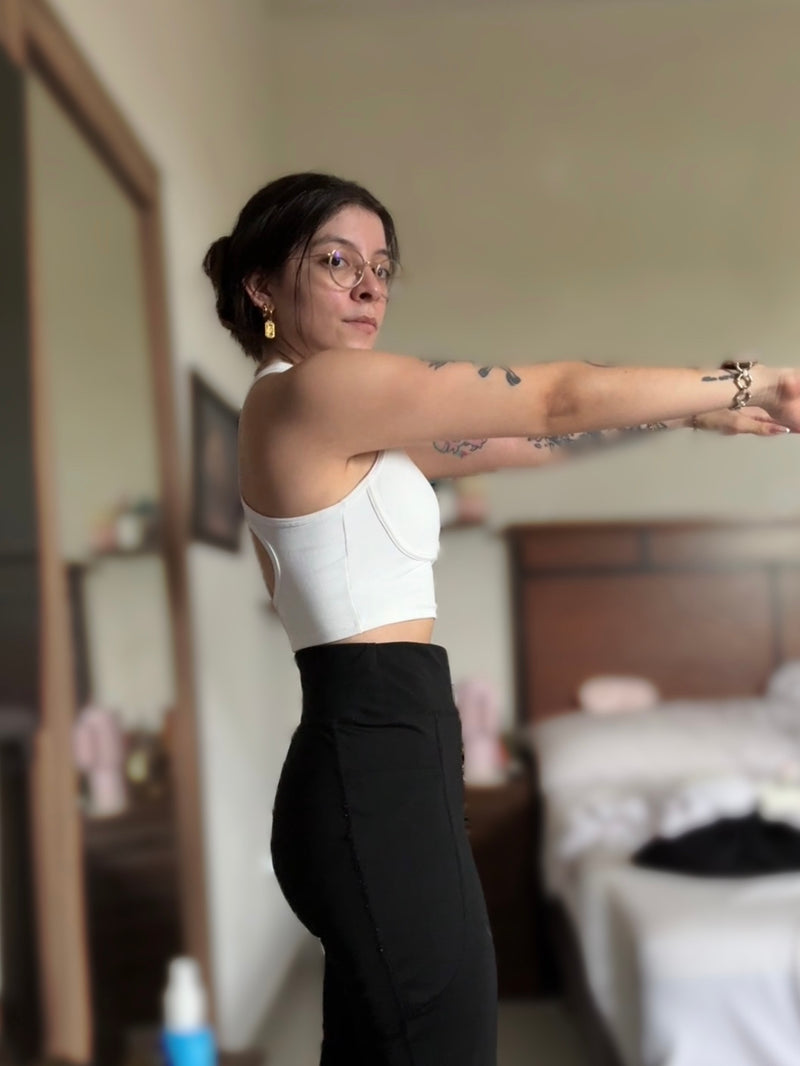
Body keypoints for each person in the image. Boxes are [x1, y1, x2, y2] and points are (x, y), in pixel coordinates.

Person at [203, 172, 800, 1066]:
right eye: (336, 262)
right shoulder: (317, 391)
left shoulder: (327, 412)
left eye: (381, 267)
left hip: (381, 761)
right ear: (261, 287)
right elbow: (554, 397)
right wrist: (751, 379)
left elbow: (529, 438)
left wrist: (696, 417)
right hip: (374, 767)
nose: (369, 288)